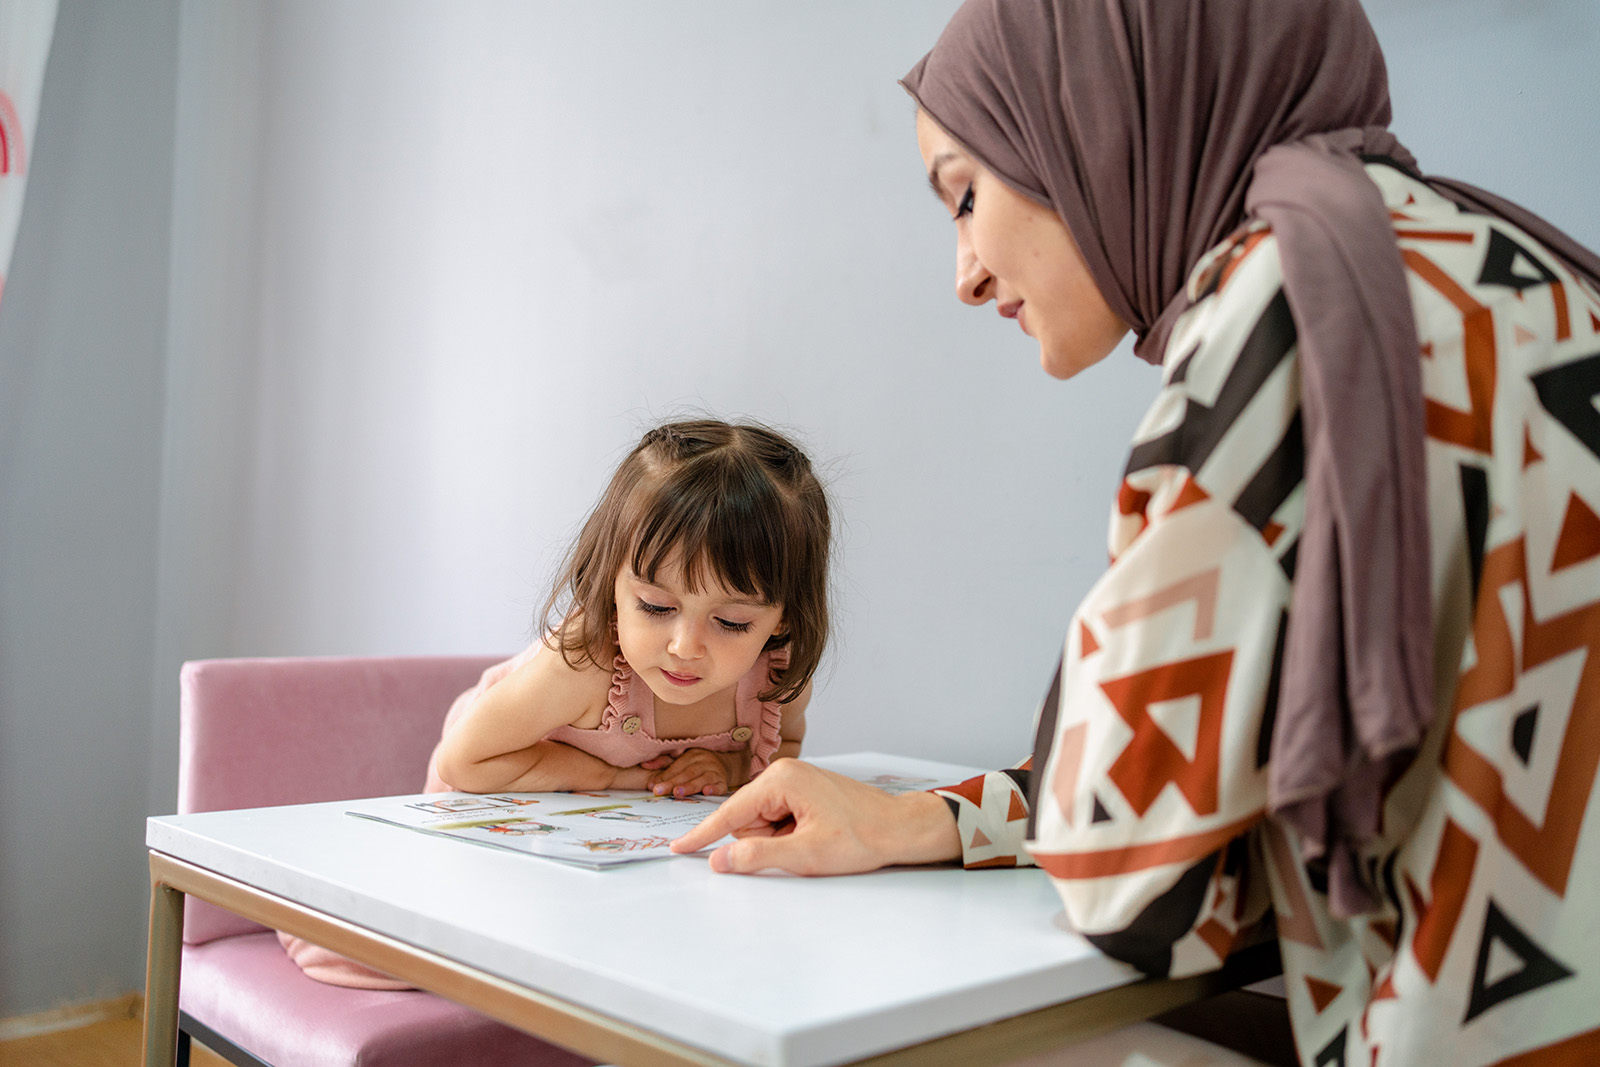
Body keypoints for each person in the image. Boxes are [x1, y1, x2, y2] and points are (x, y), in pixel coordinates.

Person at [673, 1, 1600, 1064]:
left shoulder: (1290, 307)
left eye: (966, 194)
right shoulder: (1521, 269)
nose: (964, 270)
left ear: (1101, 114)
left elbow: (1138, 884)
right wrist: (922, 821)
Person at [284, 416, 833, 988]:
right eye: (655, 607)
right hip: (500, 780)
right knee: (441, 953)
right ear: (610, 584)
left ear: (783, 617)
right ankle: (310, 916)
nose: (684, 648)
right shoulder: (586, 665)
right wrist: (618, 778)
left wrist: (728, 766)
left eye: (731, 621)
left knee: (671, 952)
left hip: (615, 841)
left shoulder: (775, 673)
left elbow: (782, 750)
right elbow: (462, 763)